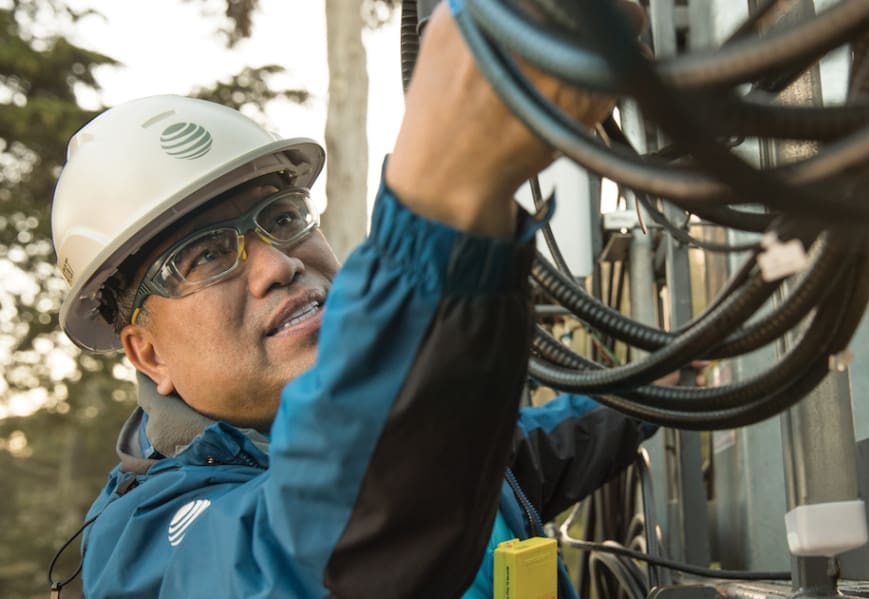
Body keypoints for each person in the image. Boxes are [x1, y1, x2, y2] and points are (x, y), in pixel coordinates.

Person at [50, 3, 655, 597]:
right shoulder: (143, 544)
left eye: (284, 217)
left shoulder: (421, 426)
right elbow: (314, 554)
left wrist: (664, 382)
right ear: (147, 352)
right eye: (205, 256)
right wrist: (439, 198)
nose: (278, 264)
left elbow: (518, 444)